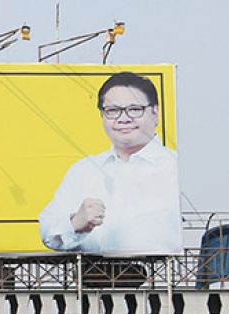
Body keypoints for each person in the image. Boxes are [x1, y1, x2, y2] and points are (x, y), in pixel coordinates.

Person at [38, 71, 180, 255]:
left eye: (135, 109)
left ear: (155, 113)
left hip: (162, 279)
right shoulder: (84, 170)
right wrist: (75, 223)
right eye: (112, 111)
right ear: (102, 116)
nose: (123, 118)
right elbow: (48, 231)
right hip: (94, 280)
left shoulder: (176, 168)